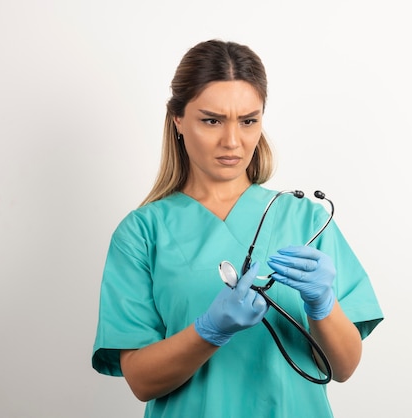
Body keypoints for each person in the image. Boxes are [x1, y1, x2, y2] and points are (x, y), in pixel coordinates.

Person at [92, 39, 383, 417]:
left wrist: (323, 305)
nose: (232, 141)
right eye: (211, 120)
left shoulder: (306, 219)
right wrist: (209, 330)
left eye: (248, 121)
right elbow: (141, 382)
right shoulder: (142, 233)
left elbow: (343, 367)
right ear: (178, 119)